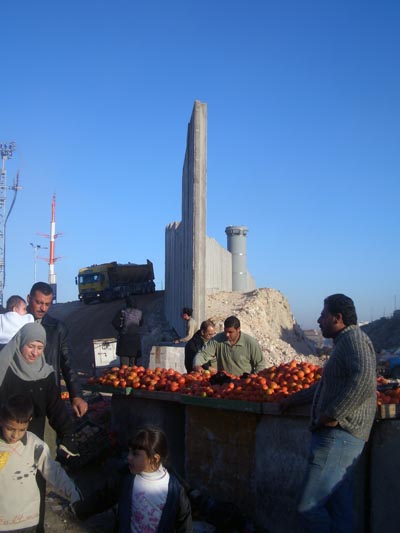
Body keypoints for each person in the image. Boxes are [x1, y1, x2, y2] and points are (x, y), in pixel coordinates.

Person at [281, 294, 377, 532]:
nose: (319, 320)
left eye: (323, 315)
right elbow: (325, 386)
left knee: (308, 507)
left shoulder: (354, 339)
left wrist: (333, 414)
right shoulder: (344, 342)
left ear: (338, 317)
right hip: (342, 438)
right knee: (339, 508)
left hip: (340, 437)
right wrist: (293, 399)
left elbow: (364, 380)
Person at [73, 426, 193, 532]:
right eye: (129, 452)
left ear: (155, 459)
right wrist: (76, 511)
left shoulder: (175, 492)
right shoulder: (126, 479)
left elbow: (184, 525)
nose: (128, 457)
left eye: (135, 454)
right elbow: (103, 498)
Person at [0, 394, 81, 532]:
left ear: (29, 421)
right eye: (10, 429)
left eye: (21, 430)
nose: (15, 435)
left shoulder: (34, 445)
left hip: (28, 519)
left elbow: (53, 471)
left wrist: (73, 494)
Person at [27, 282, 88, 418]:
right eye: (39, 302)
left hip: (47, 396)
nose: (43, 308)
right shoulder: (14, 323)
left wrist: (76, 395)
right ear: (28, 299)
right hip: (17, 398)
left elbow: (68, 362)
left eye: (47, 304)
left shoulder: (57, 329)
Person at [193, 315, 264, 376]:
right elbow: (203, 354)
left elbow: (260, 365)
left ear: (238, 329)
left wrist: (253, 380)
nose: (227, 334)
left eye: (230, 332)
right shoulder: (217, 340)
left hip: (243, 386)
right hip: (224, 383)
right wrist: (197, 365)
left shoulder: (250, 343)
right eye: (225, 331)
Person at [112, 296, 143, 367]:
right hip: (135, 340)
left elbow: (114, 322)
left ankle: (125, 376)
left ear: (126, 303)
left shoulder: (122, 312)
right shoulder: (139, 312)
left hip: (124, 340)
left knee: (124, 365)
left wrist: (120, 329)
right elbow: (141, 323)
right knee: (133, 364)